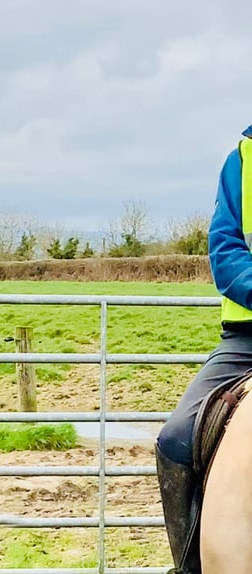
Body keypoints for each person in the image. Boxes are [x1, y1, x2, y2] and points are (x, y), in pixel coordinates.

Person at [156, 123, 252, 574]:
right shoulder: (243, 159)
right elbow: (226, 248)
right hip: (248, 341)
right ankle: (188, 565)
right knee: (175, 439)